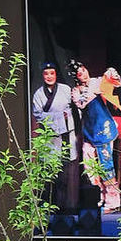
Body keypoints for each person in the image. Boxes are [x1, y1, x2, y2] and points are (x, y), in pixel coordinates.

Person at [70, 59, 121, 213]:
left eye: (84, 70)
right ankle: (98, 196)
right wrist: (91, 90)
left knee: (106, 164)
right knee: (89, 166)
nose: (83, 74)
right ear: (76, 77)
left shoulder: (97, 81)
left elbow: (117, 83)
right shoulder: (75, 91)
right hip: (89, 131)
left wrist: (111, 73)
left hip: (103, 128)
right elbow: (80, 103)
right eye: (79, 73)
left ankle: (113, 201)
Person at [30, 61, 77, 210]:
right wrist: (59, 117)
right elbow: (38, 114)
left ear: (56, 74)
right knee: (50, 172)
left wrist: (63, 118)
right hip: (49, 137)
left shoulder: (65, 89)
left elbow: (73, 110)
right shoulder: (38, 94)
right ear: (42, 75)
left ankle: (66, 207)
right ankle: (50, 206)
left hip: (66, 135)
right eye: (46, 73)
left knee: (66, 172)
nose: (49, 76)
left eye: (52, 73)